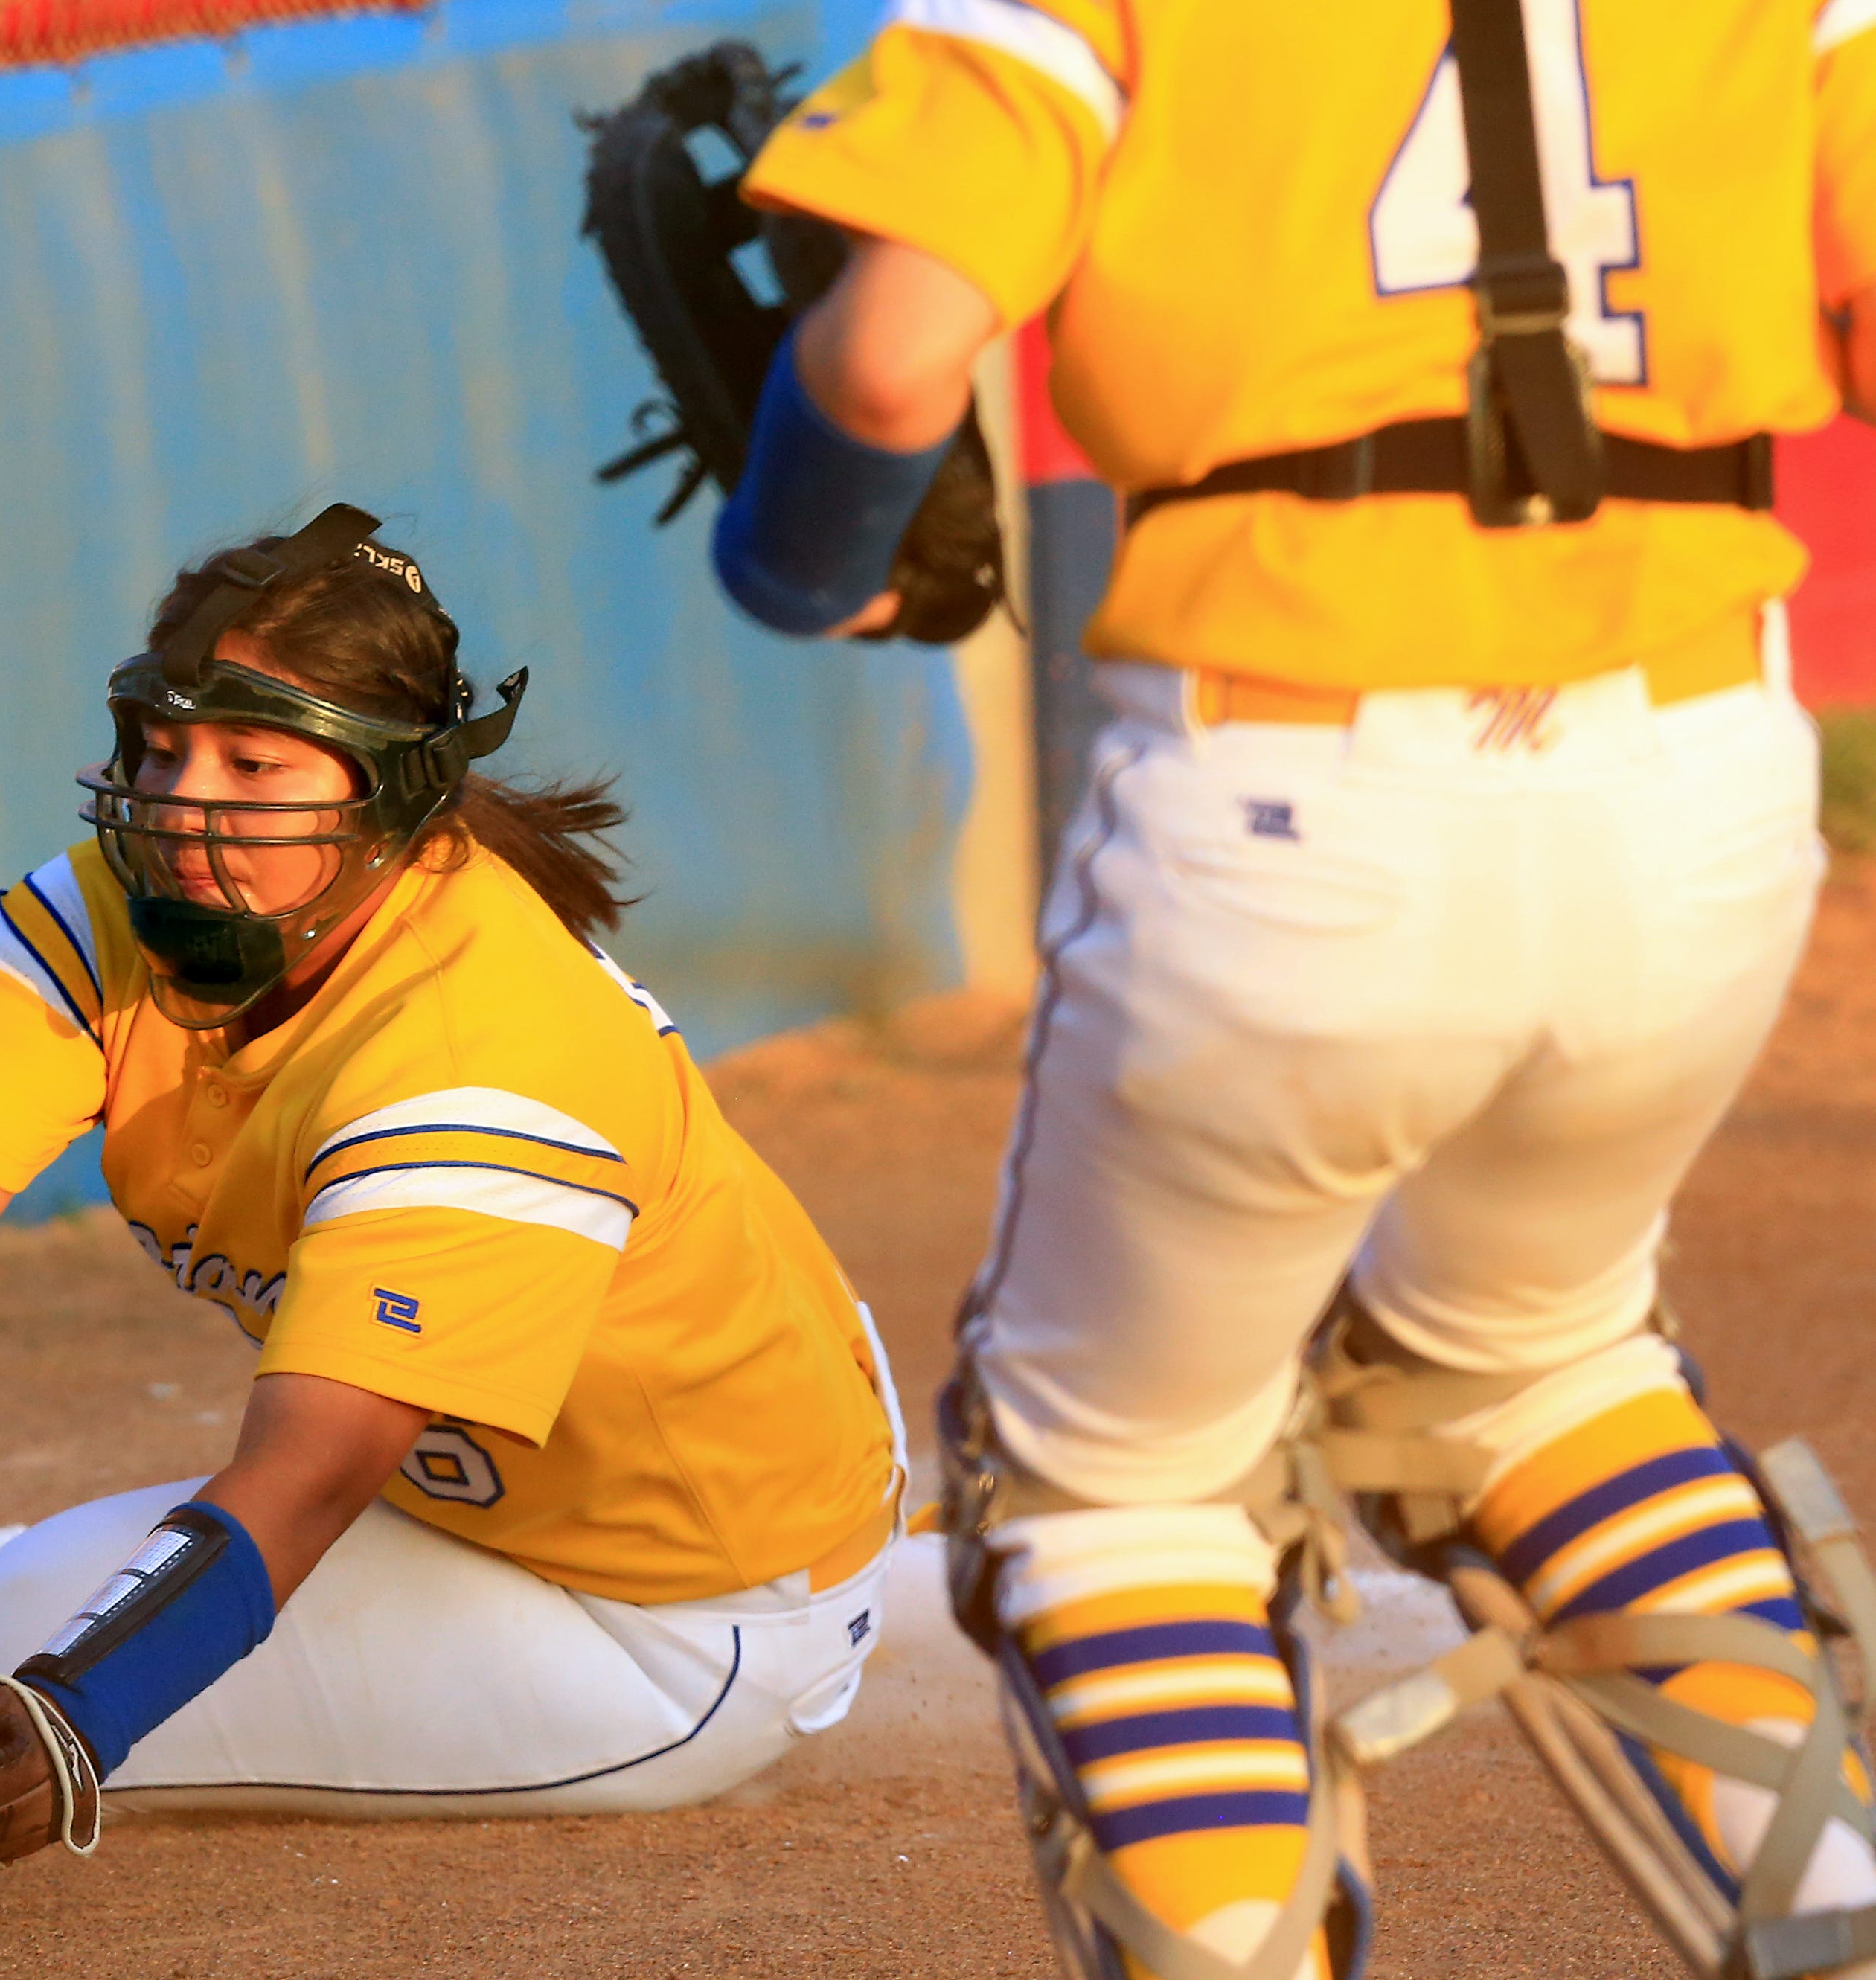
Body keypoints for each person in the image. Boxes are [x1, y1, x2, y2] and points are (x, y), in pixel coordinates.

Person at [713, 2, 1876, 1976]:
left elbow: (898, 357)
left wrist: (794, 547)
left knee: (1118, 1480)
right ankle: (1826, 1915)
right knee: (1539, 1361)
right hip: (1696, 787)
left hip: (1290, 807)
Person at [0, 507, 908, 1814]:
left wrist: (72, 1735)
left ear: (390, 796)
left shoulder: (481, 1052)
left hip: (679, 1609)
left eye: (253, 761)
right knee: (2, 1628)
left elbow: (311, 1472)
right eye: (165, 746)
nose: (181, 801)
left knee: (11, 1694)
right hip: (483, 1492)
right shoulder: (120, 909)